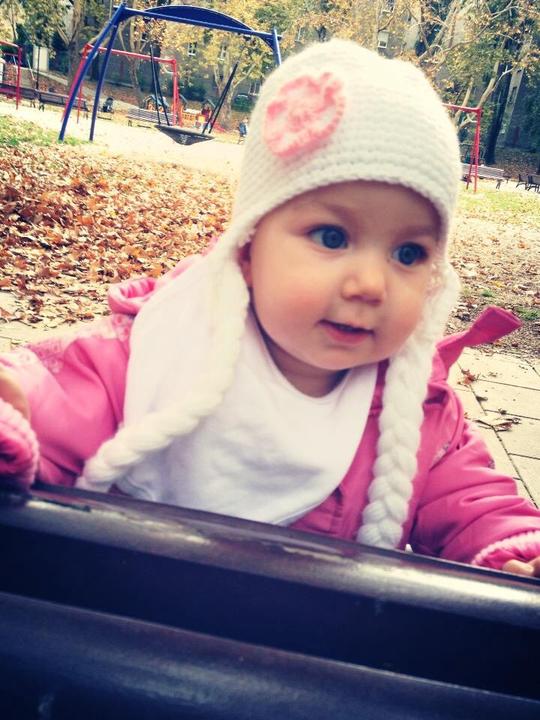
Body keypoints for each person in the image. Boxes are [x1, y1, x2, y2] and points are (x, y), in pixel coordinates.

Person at [1, 40, 539, 577]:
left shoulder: (421, 411)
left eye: (408, 254)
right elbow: (41, 398)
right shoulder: (152, 353)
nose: (371, 285)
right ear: (249, 246)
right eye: (331, 237)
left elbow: (476, 505)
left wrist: (514, 551)